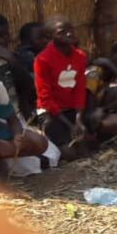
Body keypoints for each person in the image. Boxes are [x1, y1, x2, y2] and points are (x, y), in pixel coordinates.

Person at [33, 16, 87, 156]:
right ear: (50, 36)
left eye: (70, 30)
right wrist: (70, 125)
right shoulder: (42, 60)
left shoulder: (79, 56)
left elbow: (80, 89)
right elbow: (45, 98)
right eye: (62, 32)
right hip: (52, 112)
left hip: (72, 110)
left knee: (85, 149)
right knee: (69, 153)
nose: (69, 34)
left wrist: (78, 120)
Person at [0, 13, 37, 121]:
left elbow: (30, 88)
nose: (4, 40)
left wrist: (12, 61)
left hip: (18, 117)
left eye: (6, 35)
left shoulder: (16, 58)